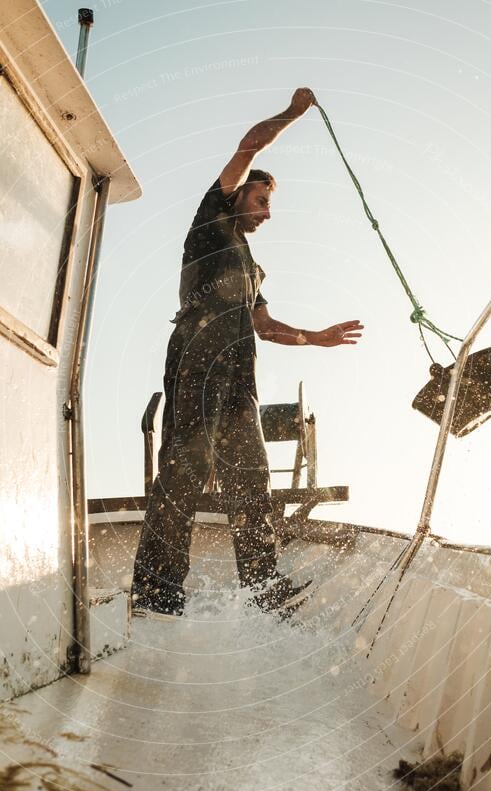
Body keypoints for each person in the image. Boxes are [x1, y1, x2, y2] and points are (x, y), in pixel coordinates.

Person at [130, 88, 364, 620]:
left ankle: (262, 586)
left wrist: (316, 337)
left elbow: (264, 326)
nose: (266, 209)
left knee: (251, 479)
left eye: (269, 202)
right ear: (235, 198)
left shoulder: (251, 266)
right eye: (260, 199)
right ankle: (156, 590)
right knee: (183, 473)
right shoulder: (210, 225)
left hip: (240, 382)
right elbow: (248, 146)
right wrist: (293, 114)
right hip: (195, 365)